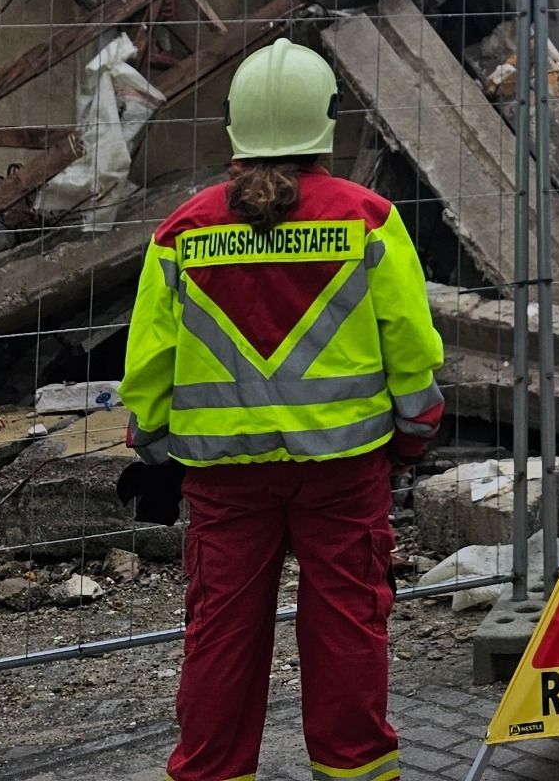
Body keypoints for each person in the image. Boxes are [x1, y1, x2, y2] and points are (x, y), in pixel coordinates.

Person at [118, 39, 444, 781]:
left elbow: (148, 368)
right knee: (349, 631)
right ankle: (357, 770)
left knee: (221, 637)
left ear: (236, 125)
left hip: (223, 483)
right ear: (323, 122)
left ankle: (211, 772)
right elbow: (410, 346)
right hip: (344, 473)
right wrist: (416, 431)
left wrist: (156, 442)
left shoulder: (182, 232)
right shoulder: (369, 221)